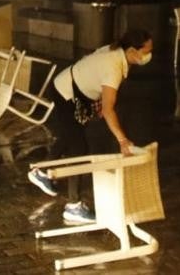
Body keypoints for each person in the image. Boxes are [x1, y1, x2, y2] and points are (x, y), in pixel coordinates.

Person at [27, 28, 154, 224]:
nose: (148, 56)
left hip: (68, 88)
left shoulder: (114, 50)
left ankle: (42, 172)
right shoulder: (114, 67)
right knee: (79, 149)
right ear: (132, 50)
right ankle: (74, 206)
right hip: (66, 94)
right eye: (146, 51)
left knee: (71, 136)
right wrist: (122, 139)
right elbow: (109, 109)